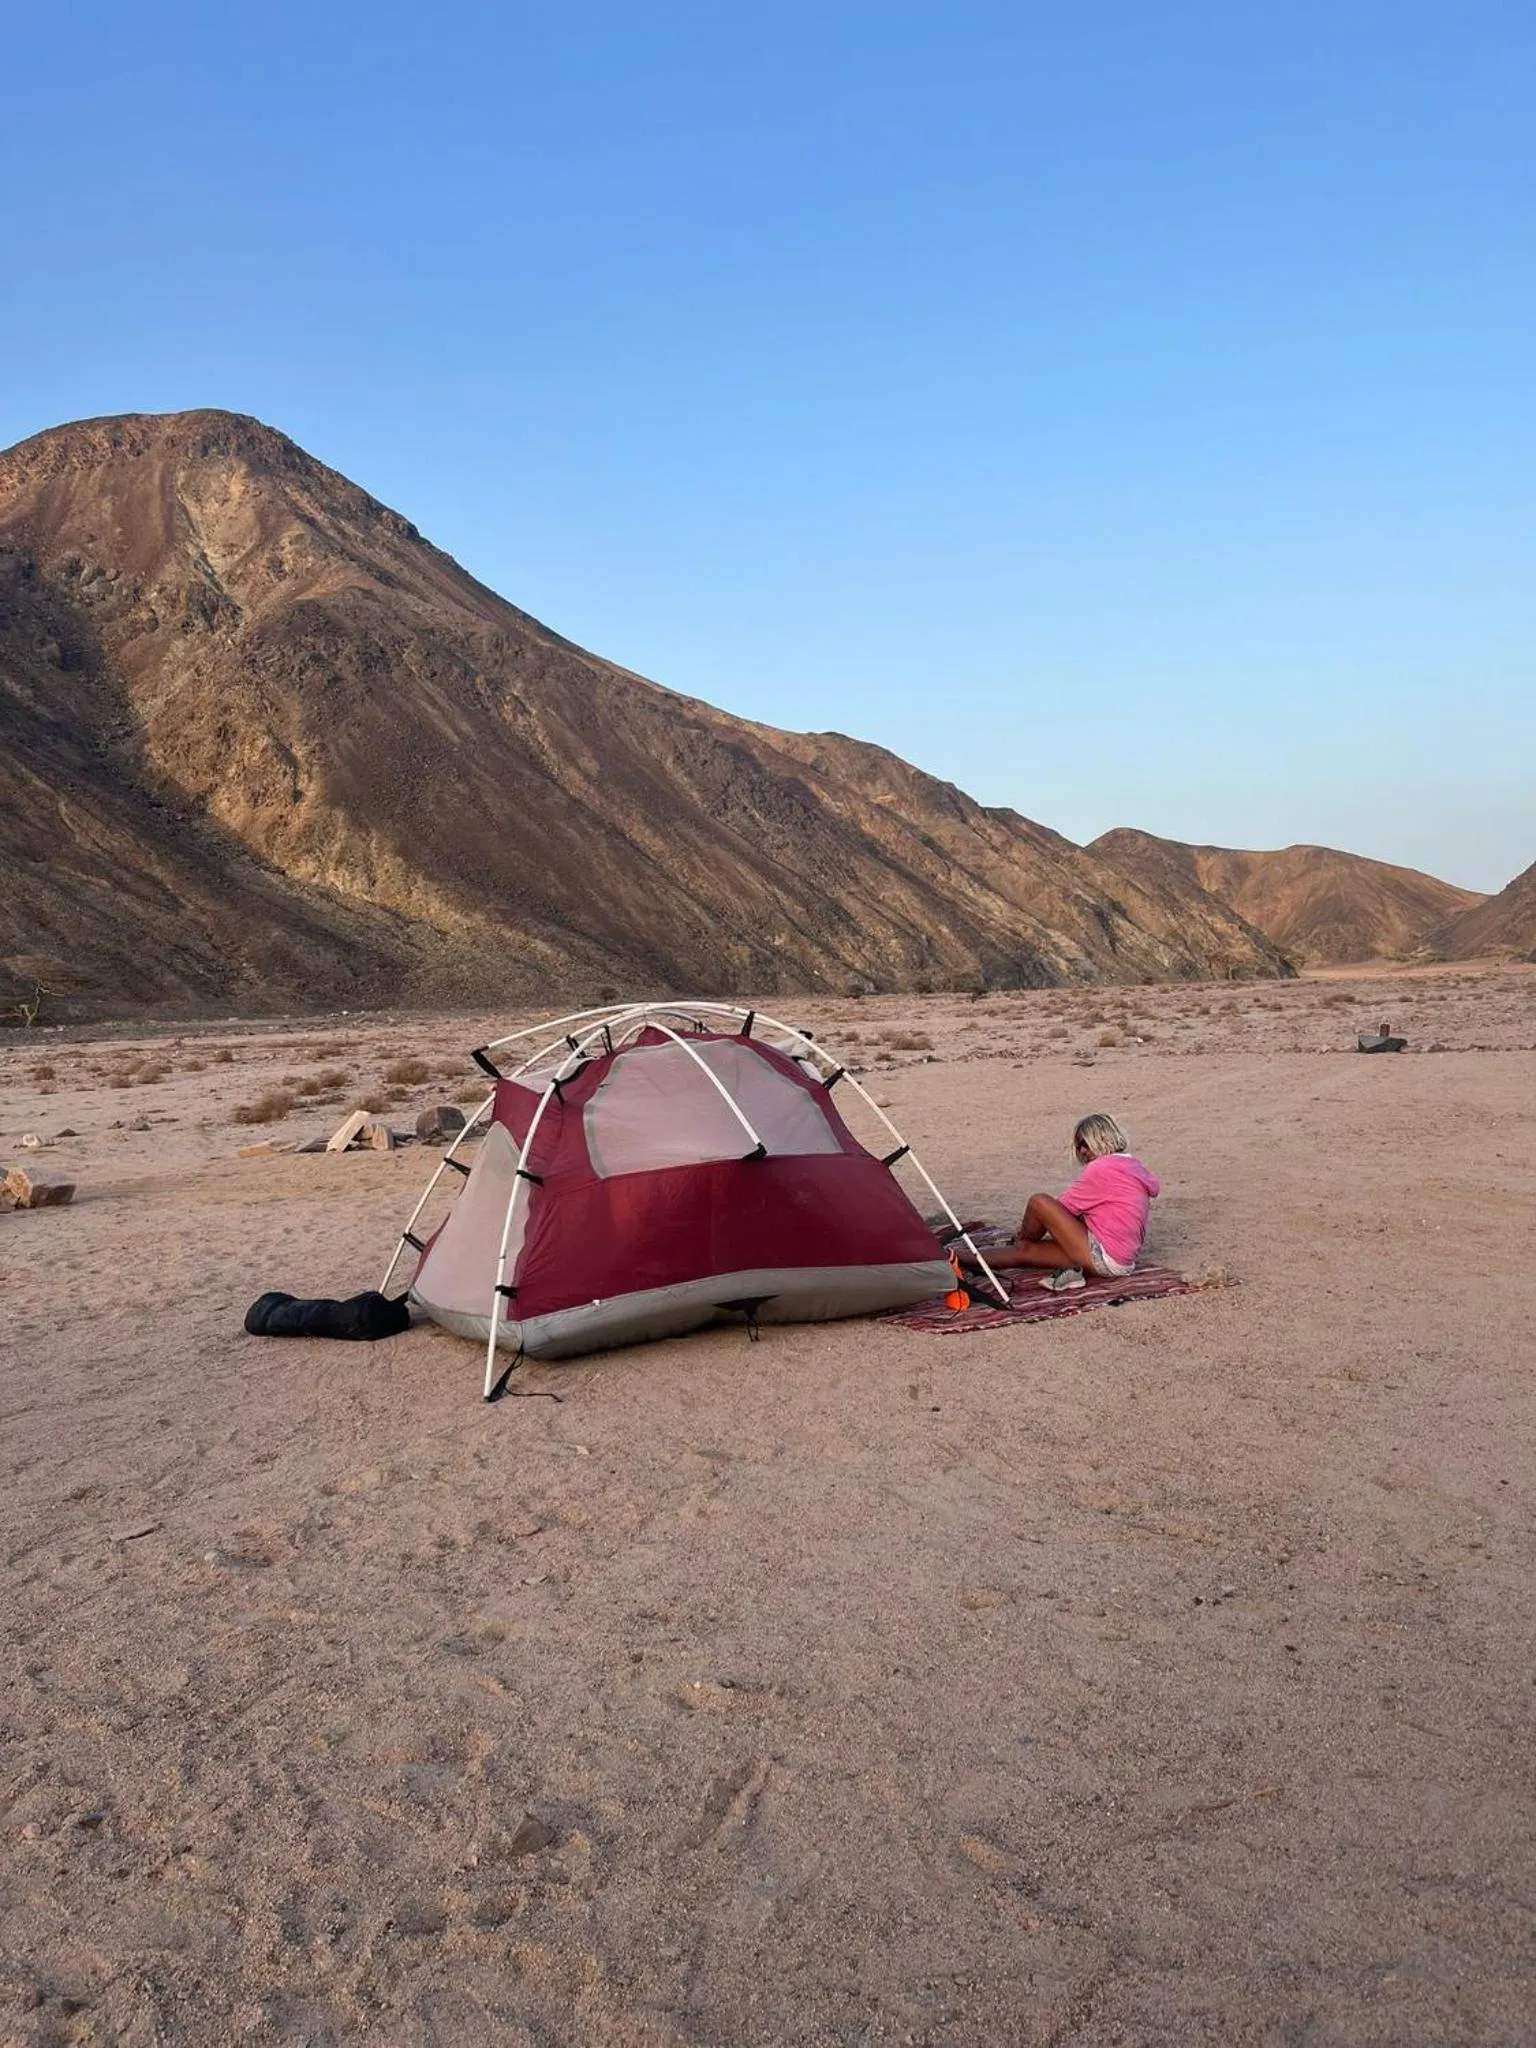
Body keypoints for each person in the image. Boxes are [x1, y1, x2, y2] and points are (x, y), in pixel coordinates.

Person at [964, 1112, 1159, 1282]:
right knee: (1026, 1253)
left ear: (1100, 1139)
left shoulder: (1102, 1168)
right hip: (1121, 1262)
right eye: (1078, 1145)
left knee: (1039, 1202)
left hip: (1104, 1255)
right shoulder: (1132, 1166)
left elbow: (1061, 1208)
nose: (1082, 1151)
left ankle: (1018, 1239)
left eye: (1084, 1144)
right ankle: (955, 1258)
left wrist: (1028, 1232)